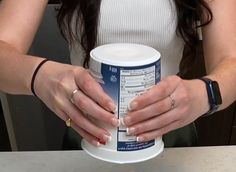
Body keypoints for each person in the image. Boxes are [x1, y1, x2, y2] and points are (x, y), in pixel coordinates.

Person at [0, 0, 236, 149]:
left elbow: (231, 61)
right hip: (90, 135)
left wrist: (206, 93)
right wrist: (40, 76)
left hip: (169, 136)